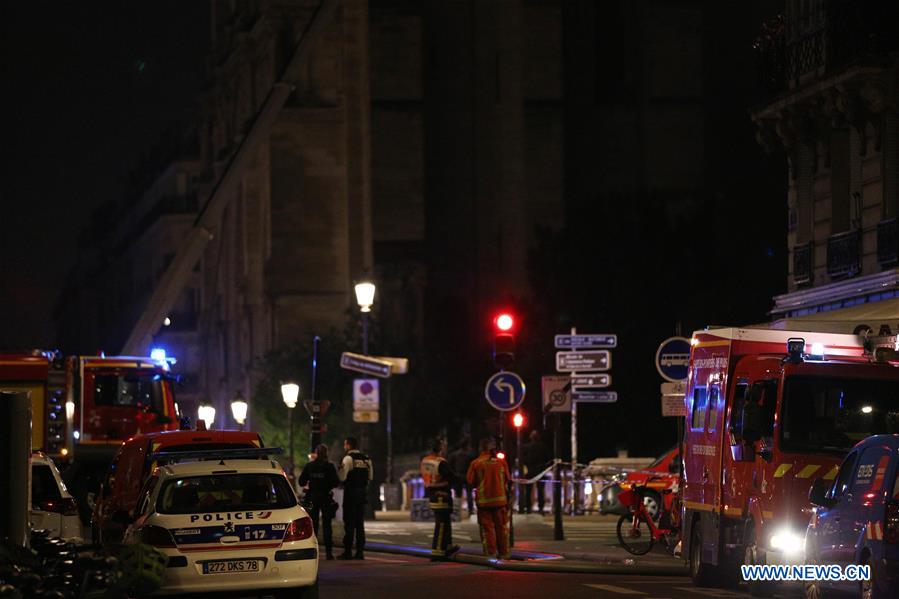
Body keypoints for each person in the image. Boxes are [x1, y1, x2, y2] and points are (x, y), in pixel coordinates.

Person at [466, 437, 511, 559]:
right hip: (500, 501)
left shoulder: (476, 463)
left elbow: (470, 481)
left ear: (481, 448)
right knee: (501, 529)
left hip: (484, 502)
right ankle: (504, 554)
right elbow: (508, 479)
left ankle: (490, 554)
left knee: (488, 530)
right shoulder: (501, 462)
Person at [420, 438, 461, 560]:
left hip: (432, 495)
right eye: (443, 446)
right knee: (442, 524)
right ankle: (437, 552)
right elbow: (452, 477)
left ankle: (448, 546)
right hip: (442, 495)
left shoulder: (425, 460)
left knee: (445, 522)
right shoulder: (441, 462)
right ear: (440, 448)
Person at [298, 443, 340, 559]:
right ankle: (328, 553)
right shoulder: (330, 466)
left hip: (312, 497)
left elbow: (301, 482)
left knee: (313, 525)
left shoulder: (309, 466)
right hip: (326, 497)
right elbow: (336, 482)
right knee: (327, 526)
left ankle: (314, 552)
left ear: (316, 453)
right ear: (326, 453)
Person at [337, 436, 373, 560]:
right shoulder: (366, 459)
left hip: (350, 493)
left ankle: (348, 551)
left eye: (344, 444)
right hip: (362, 494)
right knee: (359, 523)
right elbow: (370, 477)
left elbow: (342, 477)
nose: (344, 447)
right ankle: (360, 551)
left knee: (349, 523)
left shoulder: (348, 459)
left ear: (348, 445)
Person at [521, 430, 549, 514]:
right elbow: (547, 458)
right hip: (540, 471)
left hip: (530, 471)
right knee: (540, 490)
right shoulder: (543, 447)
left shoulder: (526, 447)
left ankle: (528, 508)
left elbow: (523, 458)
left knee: (528, 491)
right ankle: (540, 508)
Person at [447, 436, 475, 515]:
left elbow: (450, 465)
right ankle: (470, 510)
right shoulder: (470, 455)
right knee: (469, 493)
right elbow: (472, 467)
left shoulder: (454, 455)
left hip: (457, 475)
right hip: (466, 476)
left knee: (458, 495)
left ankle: (457, 511)